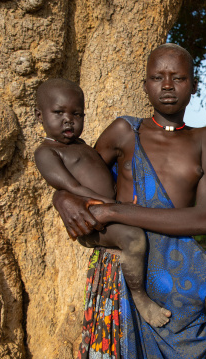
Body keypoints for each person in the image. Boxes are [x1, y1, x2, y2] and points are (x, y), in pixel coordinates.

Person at [52, 44, 206, 358]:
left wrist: (115, 211)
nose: (168, 85)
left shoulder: (204, 139)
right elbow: (78, 179)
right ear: (145, 85)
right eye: (157, 77)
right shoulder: (124, 132)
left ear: (194, 85)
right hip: (123, 272)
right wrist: (61, 197)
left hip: (177, 283)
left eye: (178, 78)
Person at [34, 78, 172, 328]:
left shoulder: (81, 146)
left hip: (108, 211)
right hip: (92, 218)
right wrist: (114, 206)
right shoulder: (47, 152)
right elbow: (72, 188)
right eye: (59, 113)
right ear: (39, 115)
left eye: (76, 114)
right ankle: (140, 298)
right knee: (134, 237)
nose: (69, 120)